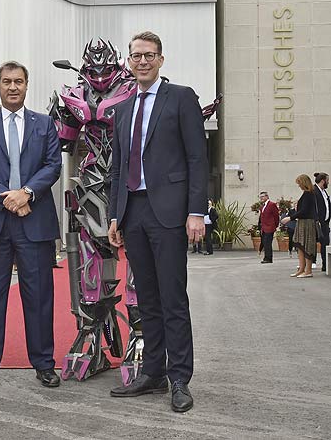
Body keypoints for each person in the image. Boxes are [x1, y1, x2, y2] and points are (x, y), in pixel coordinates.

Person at [107, 31, 208, 413]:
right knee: (146, 298)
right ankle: (153, 372)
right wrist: (116, 214)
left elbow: (198, 157)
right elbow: (118, 168)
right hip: (134, 212)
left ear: (161, 60)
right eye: (136, 56)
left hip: (169, 212)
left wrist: (196, 211)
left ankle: (179, 377)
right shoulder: (122, 108)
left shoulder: (181, 97)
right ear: (128, 62)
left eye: (150, 55)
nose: (143, 62)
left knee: (172, 298)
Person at [0, 60, 62, 389]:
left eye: (18, 81)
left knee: (39, 298)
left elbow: (52, 166)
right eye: (6, 81)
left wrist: (27, 194)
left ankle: (44, 364)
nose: (12, 87)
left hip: (34, 223)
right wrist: (7, 197)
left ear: (26, 84)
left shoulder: (45, 124)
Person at [281, 174, 318, 278]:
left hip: (307, 223)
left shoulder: (309, 194)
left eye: (299, 184)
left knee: (307, 246)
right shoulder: (307, 194)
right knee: (300, 246)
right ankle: (301, 269)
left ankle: (308, 271)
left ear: (303, 183)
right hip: (302, 223)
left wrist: (290, 218)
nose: (299, 186)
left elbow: (304, 211)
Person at [313, 172, 330, 272]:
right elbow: (313, 207)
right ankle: (313, 262)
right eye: (327, 180)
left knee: (325, 244)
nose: (328, 182)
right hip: (318, 222)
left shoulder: (324, 192)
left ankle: (326, 265)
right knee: (317, 243)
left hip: (325, 222)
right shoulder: (314, 191)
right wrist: (317, 220)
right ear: (323, 181)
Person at [258, 191, 280, 264]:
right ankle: (266, 257)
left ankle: (269, 258)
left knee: (268, 243)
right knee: (265, 243)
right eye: (260, 197)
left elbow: (276, 216)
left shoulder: (272, 204)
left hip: (270, 227)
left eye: (263, 196)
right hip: (264, 228)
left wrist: (275, 225)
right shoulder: (262, 206)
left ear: (267, 197)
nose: (261, 198)